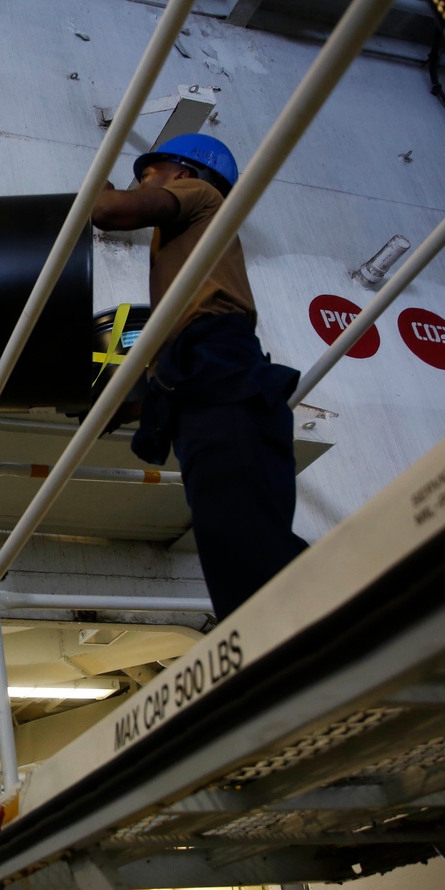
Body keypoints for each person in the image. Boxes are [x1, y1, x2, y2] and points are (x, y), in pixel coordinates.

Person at [91, 133, 308, 621]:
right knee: (234, 544)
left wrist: (100, 186)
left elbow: (108, 211)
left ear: (182, 174)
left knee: (244, 543)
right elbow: (171, 377)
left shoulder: (202, 195)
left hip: (220, 371)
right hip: (204, 383)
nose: (139, 185)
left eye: (147, 175)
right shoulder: (186, 267)